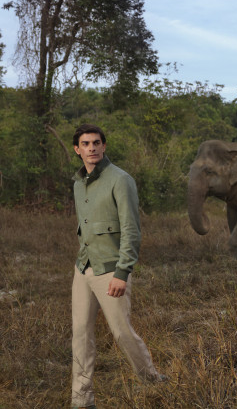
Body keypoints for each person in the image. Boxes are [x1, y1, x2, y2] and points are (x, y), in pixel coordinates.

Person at [70, 123, 164, 408]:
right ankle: (81, 400)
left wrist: (122, 273)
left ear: (104, 146)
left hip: (111, 270)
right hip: (83, 268)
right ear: (77, 149)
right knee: (81, 334)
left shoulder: (120, 179)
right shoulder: (77, 183)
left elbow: (131, 230)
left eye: (96, 143)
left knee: (122, 333)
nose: (92, 148)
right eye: (85, 144)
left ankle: (152, 380)